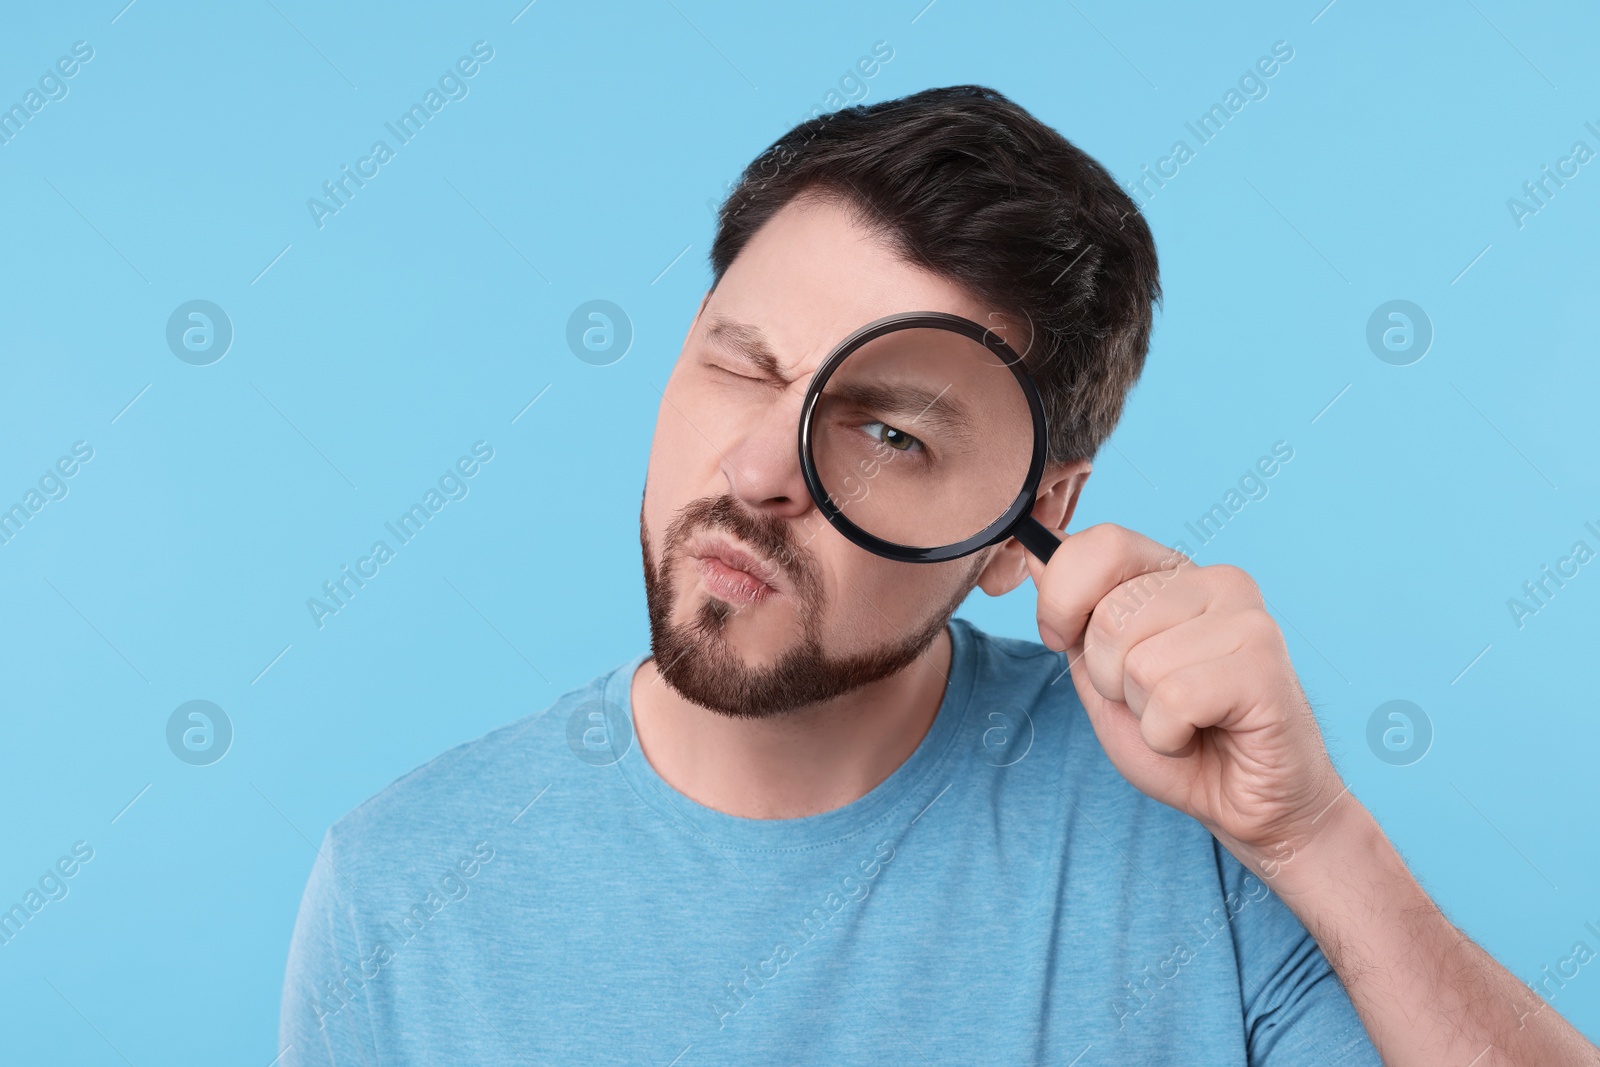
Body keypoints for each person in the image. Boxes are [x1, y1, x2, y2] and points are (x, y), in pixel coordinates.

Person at [278, 85, 1599, 1066]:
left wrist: (1316, 841)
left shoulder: (1198, 845)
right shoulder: (401, 890)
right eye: (740, 364)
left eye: (890, 431)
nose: (754, 469)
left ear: (1028, 521)